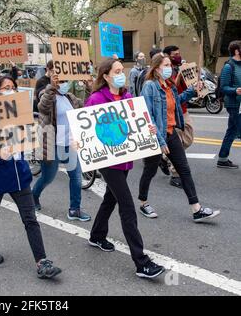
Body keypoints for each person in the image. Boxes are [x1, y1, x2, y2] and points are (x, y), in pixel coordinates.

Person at [85, 58, 165, 279]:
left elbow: (134, 126)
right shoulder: (96, 99)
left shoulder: (128, 97)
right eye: (117, 71)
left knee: (110, 198)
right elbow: (86, 132)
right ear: (106, 76)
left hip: (125, 160)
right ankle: (142, 263)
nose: (122, 74)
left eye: (123, 70)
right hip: (108, 163)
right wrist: (78, 141)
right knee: (127, 207)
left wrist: (146, 129)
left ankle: (96, 235)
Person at [0, 75, 62, 279]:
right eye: (6, 87)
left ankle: (42, 262)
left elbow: (27, 138)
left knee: (30, 219)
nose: (11, 90)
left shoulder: (20, 113)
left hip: (19, 175)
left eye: (13, 87)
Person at [138, 53, 221, 222]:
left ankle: (196, 209)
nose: (170, 69)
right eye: (166, 65)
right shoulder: (150, 86)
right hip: (156, 136)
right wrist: (160, 142)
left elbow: (178, 102)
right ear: (156, 68)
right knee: (150, 170)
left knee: (184, 170)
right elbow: (147, 114)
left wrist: (192, 90)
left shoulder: (170, 85)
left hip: (171, 133)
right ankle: (143, 203)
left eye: (170, 65)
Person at [32, 74, 91, 222]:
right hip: (51, 145)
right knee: (47, 178)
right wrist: (52, 86)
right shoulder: (46, 95)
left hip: (70, 144)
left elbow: (87, 106)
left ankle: (74, 209)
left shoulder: (70, 97)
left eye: (66, 81)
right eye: (62, 81)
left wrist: (89, 87)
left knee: (76, 177)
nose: (65, 84)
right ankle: (33, 197)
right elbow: (43, 106)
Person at [160, 45, 195, 188]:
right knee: (178, 144)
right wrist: (179, 76)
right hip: (172, 113)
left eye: (179, 53)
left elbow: (188, 88)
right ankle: (175, 175)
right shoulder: (165, 74)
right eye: (175, 54)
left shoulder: (182, 68)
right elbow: (173, 96)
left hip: (184, 110)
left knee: (189, 139)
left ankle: (163, 157)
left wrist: (195, 83)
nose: (178, 56)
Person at [217, 40, 241, 169]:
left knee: (232, 131)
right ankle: (222, 159)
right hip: (234, 104)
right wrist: (235, 90)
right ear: (237, 51)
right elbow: (223, 87)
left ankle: (222, 158)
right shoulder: (228, 66)